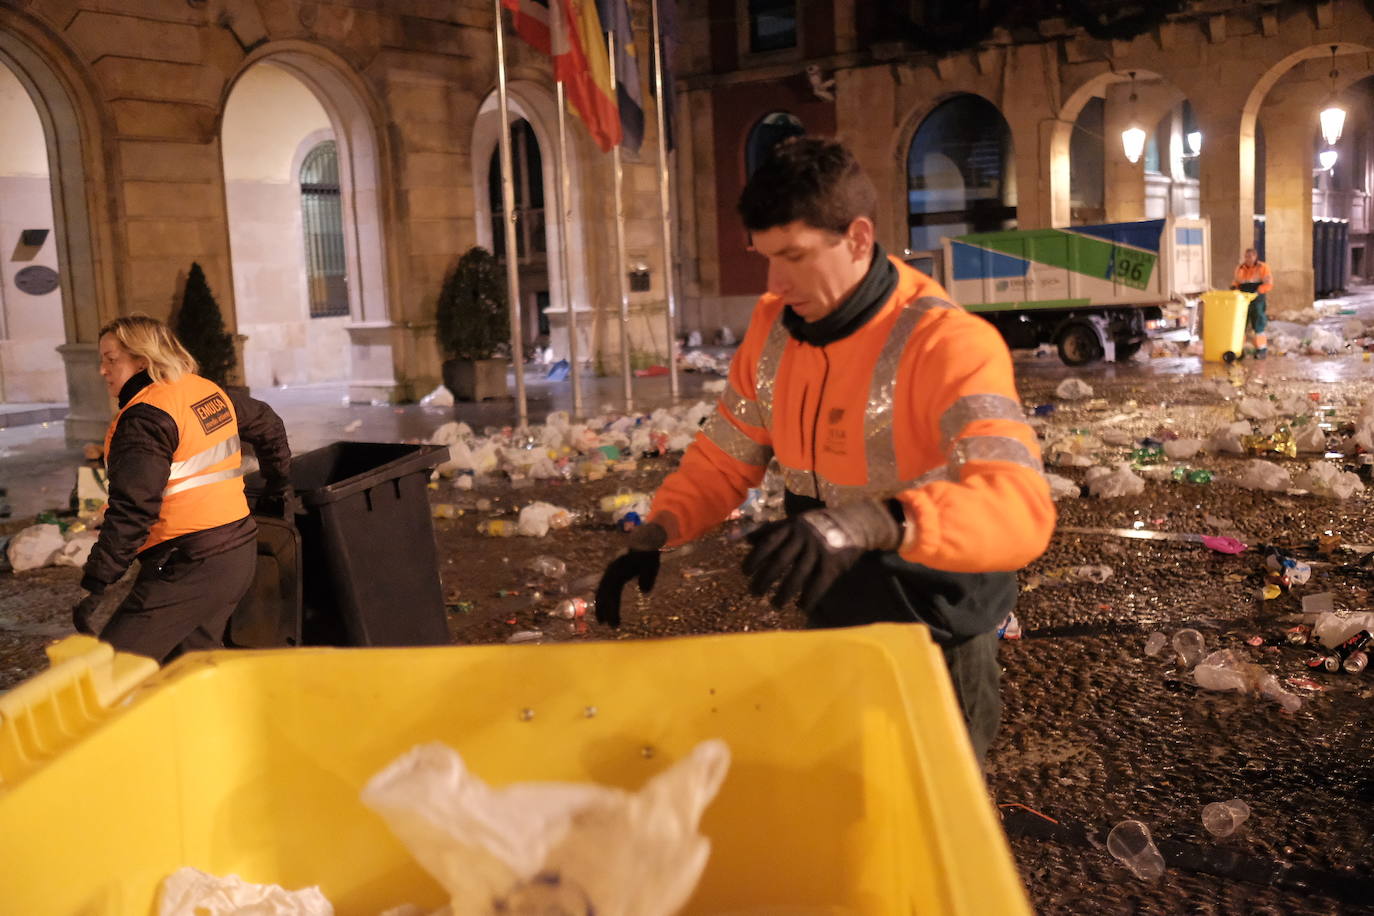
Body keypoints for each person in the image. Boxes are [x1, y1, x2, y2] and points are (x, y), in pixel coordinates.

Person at [595, 137, 1055, 760]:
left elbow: (1019, 505)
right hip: (836, 609)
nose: (776, 282)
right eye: (764, 257)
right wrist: (660, 528)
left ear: (859, 238)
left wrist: (870, 523)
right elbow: (726, 452)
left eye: (794, 256)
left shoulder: (949, 344)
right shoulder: (772, 328)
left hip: (936, 627)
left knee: (929, 818)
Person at [71, 315, 292, 662]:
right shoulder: (203, 391)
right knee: (187, 669)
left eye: (111, 359)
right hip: (237, 553)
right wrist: (277, 481)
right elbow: (268, 424)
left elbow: (134, 510)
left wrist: (98, 581)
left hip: (189, 564)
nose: (102, 370)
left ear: (142, 359)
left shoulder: (145, 419)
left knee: (111, 669)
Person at [1232, 248, 1273, 359]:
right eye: (1246, 256)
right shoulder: (1240, 268)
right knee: (1241, 325)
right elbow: (1236, 282)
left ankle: (1261, 349)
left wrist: (1259, 291)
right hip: (1242, 301)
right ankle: (1239, 349)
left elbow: (1268, 284)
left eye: (1250, 256)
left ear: (1255, 257)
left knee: (1258, 325)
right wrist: (1234, 288)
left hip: (1257, 300)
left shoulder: (1262, 268)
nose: (1248, 259)